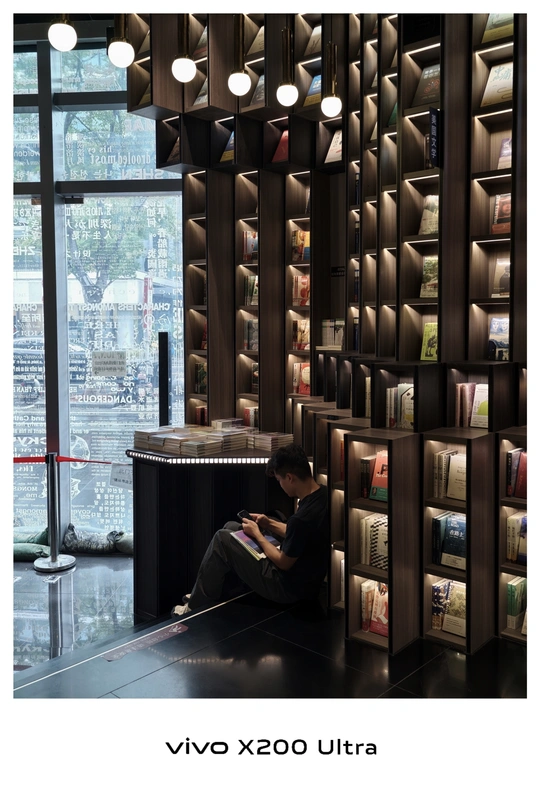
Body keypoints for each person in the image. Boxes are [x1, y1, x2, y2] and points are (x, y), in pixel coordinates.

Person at [171, 443, 329, 617]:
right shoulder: (323, 495)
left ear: (290, 478)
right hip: (307, 580)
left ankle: (194, 607)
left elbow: (283, 562)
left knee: (222, 539)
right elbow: (299, 534)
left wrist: (258, 535)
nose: (280, 485)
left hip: (287, 587)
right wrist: (268, 523)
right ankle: (206, 589)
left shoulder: (301, 518)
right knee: (232, 527)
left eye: (279, 480)